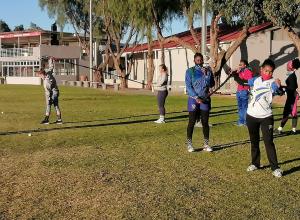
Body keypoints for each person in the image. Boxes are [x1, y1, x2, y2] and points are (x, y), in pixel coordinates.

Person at [233, 59, 284, 177]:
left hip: (266, 117)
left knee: (268, 142)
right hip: (251, 116)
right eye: (266, 71)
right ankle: (255, 163)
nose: (268, 74)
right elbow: (242, 82)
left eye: (271, 72)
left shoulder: (272, 82)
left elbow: (279, 91)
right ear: (261, 70)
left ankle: (275, 168)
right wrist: (234, 74)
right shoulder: (255, 80)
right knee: (254, 141)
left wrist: (278, 86)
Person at [185, 53, 215, 152]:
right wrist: (196, 97)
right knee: (192, 121)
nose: (199, 62)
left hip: (205, 99)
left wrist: (207, 74)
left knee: (205, 122)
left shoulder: (207, 70)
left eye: (201, 60)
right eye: (197, 60)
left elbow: (211, 84)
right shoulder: (190, 71)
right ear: (194, 61)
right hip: (193, 99)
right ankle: (189, 144)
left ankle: (206, 144)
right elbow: (188, 86)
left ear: (203, 61)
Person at [277, 58, 300, 134]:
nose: (287, 65)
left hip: (292, 97)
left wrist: (281, 87)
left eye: (288, 64)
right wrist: (283, 87)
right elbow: (292, 86)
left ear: (291, 67)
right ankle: (293, 130)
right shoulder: (291, 75)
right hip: (292, 96)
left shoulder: (292, 76)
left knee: (288, 112)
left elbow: (292, 87)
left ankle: (281, 129)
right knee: (292, 112)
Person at [38, 57, 62, 125]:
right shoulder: (48, 73)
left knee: (48, 105)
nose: (40, 77)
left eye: (40, 75)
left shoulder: (46, 82)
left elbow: (48, 92)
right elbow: (51, 67)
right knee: (56, 105)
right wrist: (51, 60)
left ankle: (46, 120)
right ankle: (59, 119)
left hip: (52, 93)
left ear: (43, 74)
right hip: (56, 91)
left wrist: (49, 99)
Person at [235, 59, 253, 126]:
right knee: (240, 107)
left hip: (244, 91)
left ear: (245, 65)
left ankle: (246, 122)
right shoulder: (239, 72)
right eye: (239, 64)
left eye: (241, 65)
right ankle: (241, 121)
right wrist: (237, 73)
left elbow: (249, 82)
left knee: (244, 107)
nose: (240, 66)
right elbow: (236, 78)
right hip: (239, 91)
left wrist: (241, 80)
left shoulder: (248, 72)